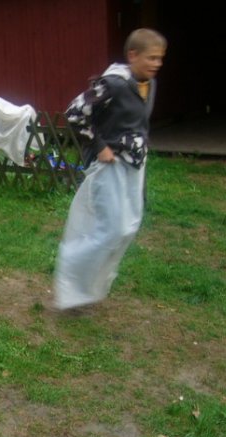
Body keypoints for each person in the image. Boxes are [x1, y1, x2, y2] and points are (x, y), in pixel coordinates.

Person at [53, 28, 167, 310]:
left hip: (133, 167)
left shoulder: (149, 85)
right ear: (133, 55)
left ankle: (89, 289)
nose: (157, 64)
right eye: (151, 58)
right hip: (110, 165)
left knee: (127, 229)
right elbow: (75, 113)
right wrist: (100, 146)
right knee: (111, 230)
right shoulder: (114, 84)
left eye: (160, 59)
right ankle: (72, 274)